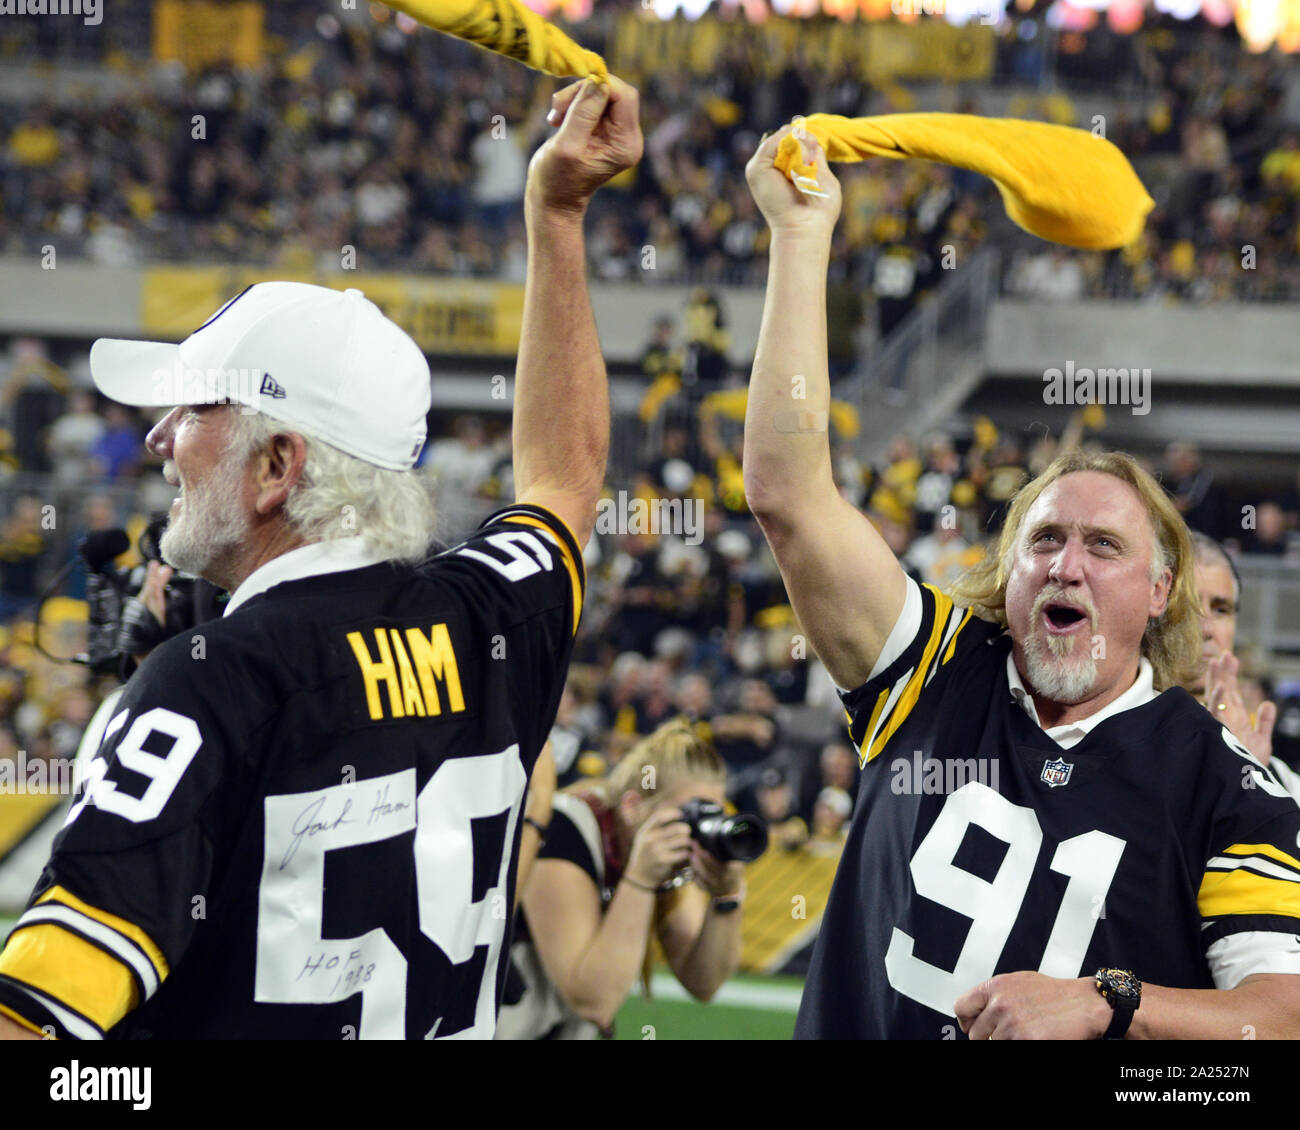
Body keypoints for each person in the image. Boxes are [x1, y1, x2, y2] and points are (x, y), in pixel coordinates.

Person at [0, 75, 644, 1041]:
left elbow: (38, 1027)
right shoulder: (490, 615)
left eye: (194, 410)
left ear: (276, 466)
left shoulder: (206, 687)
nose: (160, 438)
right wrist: (559, 212)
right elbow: (566, 480)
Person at [741, 124, 1300, 1040]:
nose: (1066, 565)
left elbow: (1275, 1019)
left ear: (1163, 593)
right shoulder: (931, 673)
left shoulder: (1226, 782)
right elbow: (790, 497)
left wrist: (1106, 1001)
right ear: (1012, 568)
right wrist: (800, 240)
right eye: (1044, 540)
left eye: (1104, 548)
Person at [496, 718, 746, 1039]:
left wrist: (727, 896)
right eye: (690, 815)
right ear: (632, 807)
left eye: (711, 815)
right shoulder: (563, 831)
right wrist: (640, 880)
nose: (697, 831)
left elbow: (704, 984)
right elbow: (594, 1002)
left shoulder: (674, 859)